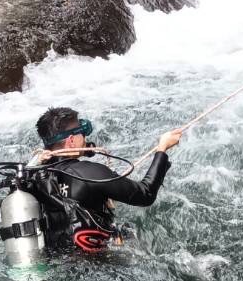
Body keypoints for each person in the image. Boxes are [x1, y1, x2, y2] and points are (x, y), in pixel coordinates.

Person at [32, 107, 182, 252]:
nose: (85, 138)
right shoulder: (90, 173)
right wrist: (162, 149)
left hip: (57, 256)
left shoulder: (36, 174)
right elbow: (145, 194)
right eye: (82, 132)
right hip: (97, 261)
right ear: (71, 140)